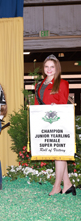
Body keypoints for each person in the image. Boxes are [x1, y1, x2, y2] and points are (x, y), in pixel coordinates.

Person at [34, 54, 76, 196]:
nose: (49, 69)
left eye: (52, 66)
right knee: (57, 153)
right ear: (43, 68)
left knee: (59, 153)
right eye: (47, 66)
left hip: (59, 122)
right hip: (44, 123)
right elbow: (36, 105)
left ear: (57, 68)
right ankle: (68, 184)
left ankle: (57, 186)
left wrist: (55, 106)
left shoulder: (63, 83)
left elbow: (63, 103)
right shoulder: (38, 84)